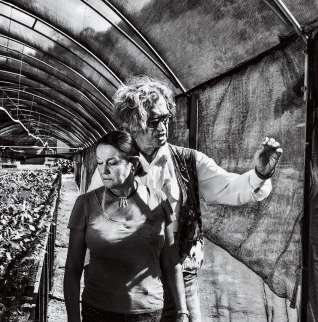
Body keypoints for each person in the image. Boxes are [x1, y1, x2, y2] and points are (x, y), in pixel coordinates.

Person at [87, 76, 283, 321]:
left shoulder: (188, 161)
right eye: (153, 121)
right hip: (127, 281)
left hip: (181, 277)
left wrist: (260, 174)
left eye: (166, 118)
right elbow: (93, 219)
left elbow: (229, 187)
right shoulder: (113, 164)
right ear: (132, 124)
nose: (162, 128)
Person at [64, 130, 189, 322]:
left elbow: (171, 262)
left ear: (134, 164)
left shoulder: (159, 201)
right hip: (98, 312)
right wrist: (73, 318)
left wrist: (182, 311)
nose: (103, 170)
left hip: (149, 314)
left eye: (112, 162)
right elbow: (73, 267)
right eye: (99, 162)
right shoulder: (86, 204)